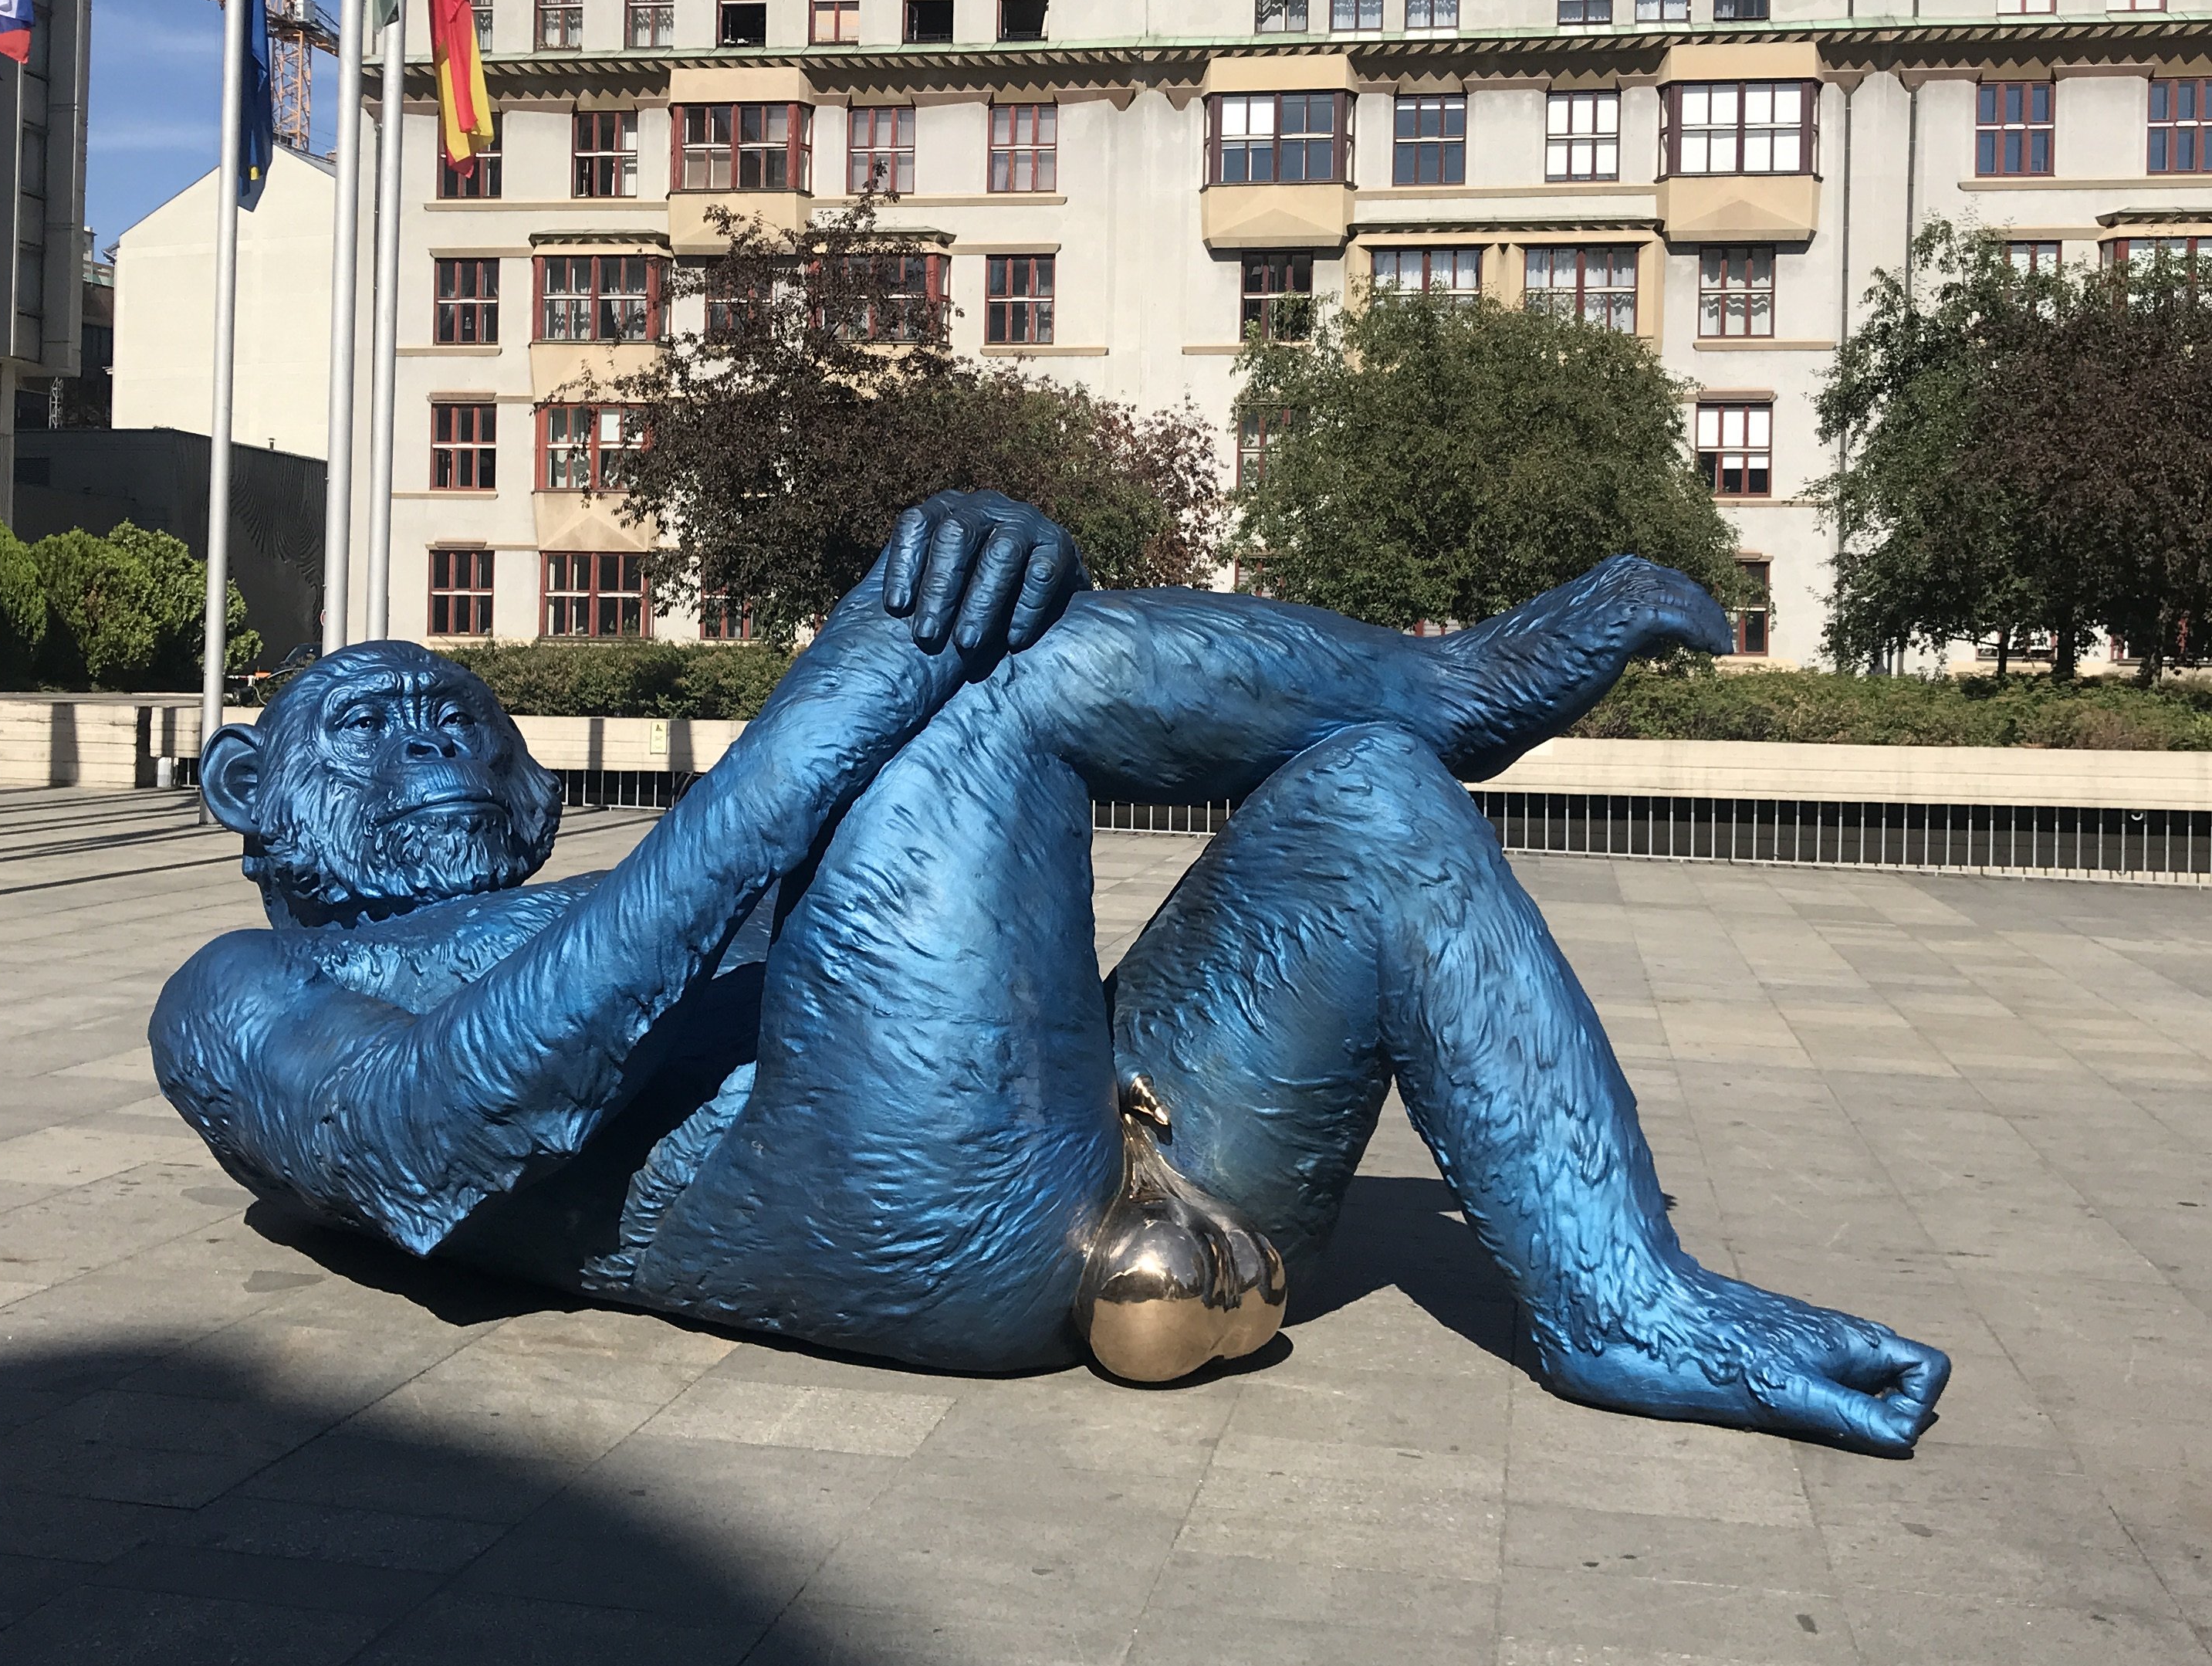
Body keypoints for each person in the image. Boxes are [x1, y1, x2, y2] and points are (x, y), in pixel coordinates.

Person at [153, 491, 1949, 1452]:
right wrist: (837, 707)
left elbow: (886, 913)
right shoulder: (233, 994)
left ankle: (1620, 1297)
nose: (441, 756)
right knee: (979, 680)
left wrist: (912, 635)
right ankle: (1453, 679)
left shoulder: (616, 894)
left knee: (1361, 796)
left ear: (536, 783)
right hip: (879, 1227)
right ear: (253, 794)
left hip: (1120, 1156)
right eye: (377, 734)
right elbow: (427, 1134)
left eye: (464, 720)